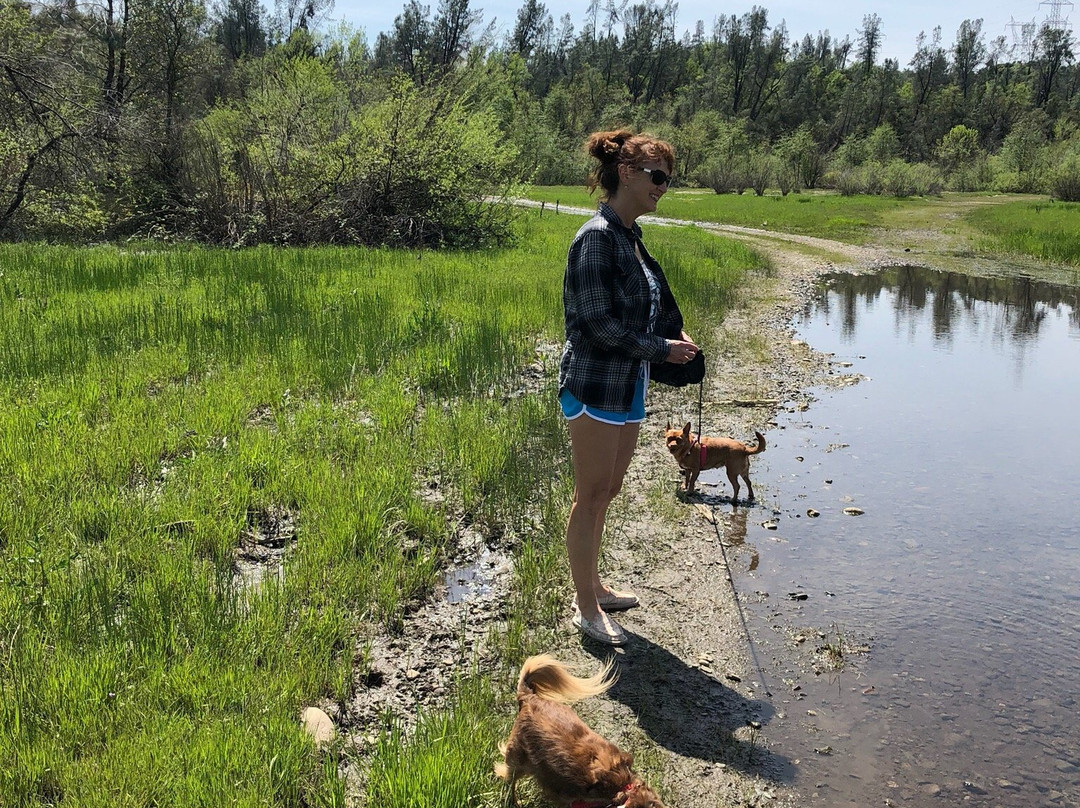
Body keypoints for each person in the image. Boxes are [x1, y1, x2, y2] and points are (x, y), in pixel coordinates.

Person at [558, 130, 698, 646]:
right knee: (590, 494)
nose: (663, 187)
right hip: (595, 384)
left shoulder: (630, 236)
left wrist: (674, 335)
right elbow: (596, 325)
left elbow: (643, 308)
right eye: (656, 176)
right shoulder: (596, 238)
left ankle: (594, 586)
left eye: (668, 179)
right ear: (626, 173)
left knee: (608, 491)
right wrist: (661, 350)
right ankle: (585, 607)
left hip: (628, 384)